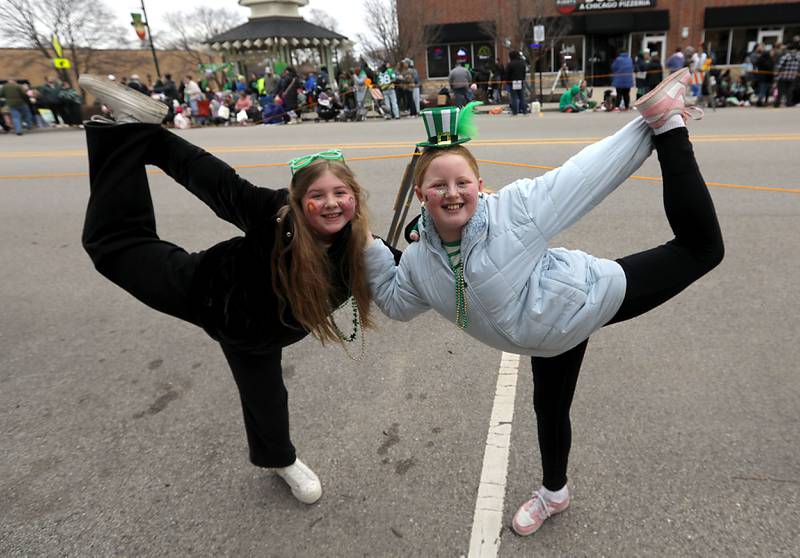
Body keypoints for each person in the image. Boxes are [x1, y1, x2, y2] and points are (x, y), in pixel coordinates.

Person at [364, 68, 723, 536]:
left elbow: (584, 176)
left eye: (462, 182)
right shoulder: (417, 264)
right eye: (438, 186)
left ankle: (672, 127)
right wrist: (365, 245)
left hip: (586, 299)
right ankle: (555, 495)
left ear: (479, 183)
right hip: (546, 344)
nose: (452, 193)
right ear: (420, 194)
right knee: (550, 412)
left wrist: (650, 126)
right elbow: (396, 302)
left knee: (702, 250)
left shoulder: (512, 211)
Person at [77, 74, 388, 505]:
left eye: (341, 192)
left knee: (267, 397)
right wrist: (156, 142)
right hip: (204, 291)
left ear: (355, 197)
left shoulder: (366, 250)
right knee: (112, 247)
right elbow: (214, 181)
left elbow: (415, 277)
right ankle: (133, 131)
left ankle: (281, 460)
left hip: (260, 338)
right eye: (317, 195)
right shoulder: (276, 215)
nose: (331, 203)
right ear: (298, 202)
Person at [772, 42, 799, 108]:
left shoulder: (786, 56)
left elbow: (779, 66)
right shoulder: (798, 57)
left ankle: (777, 104)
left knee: (780, 91)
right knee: (789, 91)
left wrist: (776, 74)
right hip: (792, 77)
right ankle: (788, 103)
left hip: (783, 77)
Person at [505, 51, 528, 115]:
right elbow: (524, 73)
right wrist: (523, 79)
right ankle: (524, 111)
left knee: (514, 97)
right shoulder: (522, 63)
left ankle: (515, 112)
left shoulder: (510, 64)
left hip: (512, 82)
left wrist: (507, 81)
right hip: (520, 81)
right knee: (522, 97)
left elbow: (507, 73)